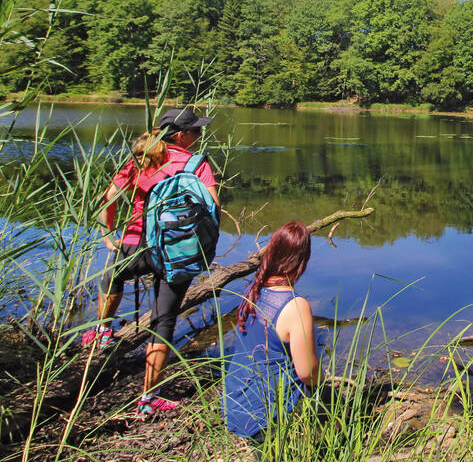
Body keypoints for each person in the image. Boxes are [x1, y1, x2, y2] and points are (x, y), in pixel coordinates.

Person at [82, 106, 220, 419]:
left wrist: (108, 234)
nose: (199, 136)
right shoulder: (197, 164)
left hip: (135, 244)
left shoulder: (143, 158)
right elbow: (213, 207)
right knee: (164, 321)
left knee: (112, 275)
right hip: (176, 251)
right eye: (196, 131)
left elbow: (109, 197)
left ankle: (103, 331)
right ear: (182, 135)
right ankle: (147, 399)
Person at [223, 221, 322, 439]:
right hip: (265, 418)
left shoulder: (253, 289)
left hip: (235, 405)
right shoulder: (296, 306)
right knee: (317, 388)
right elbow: (307, 374)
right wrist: (323, 380)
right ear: (302, 260)